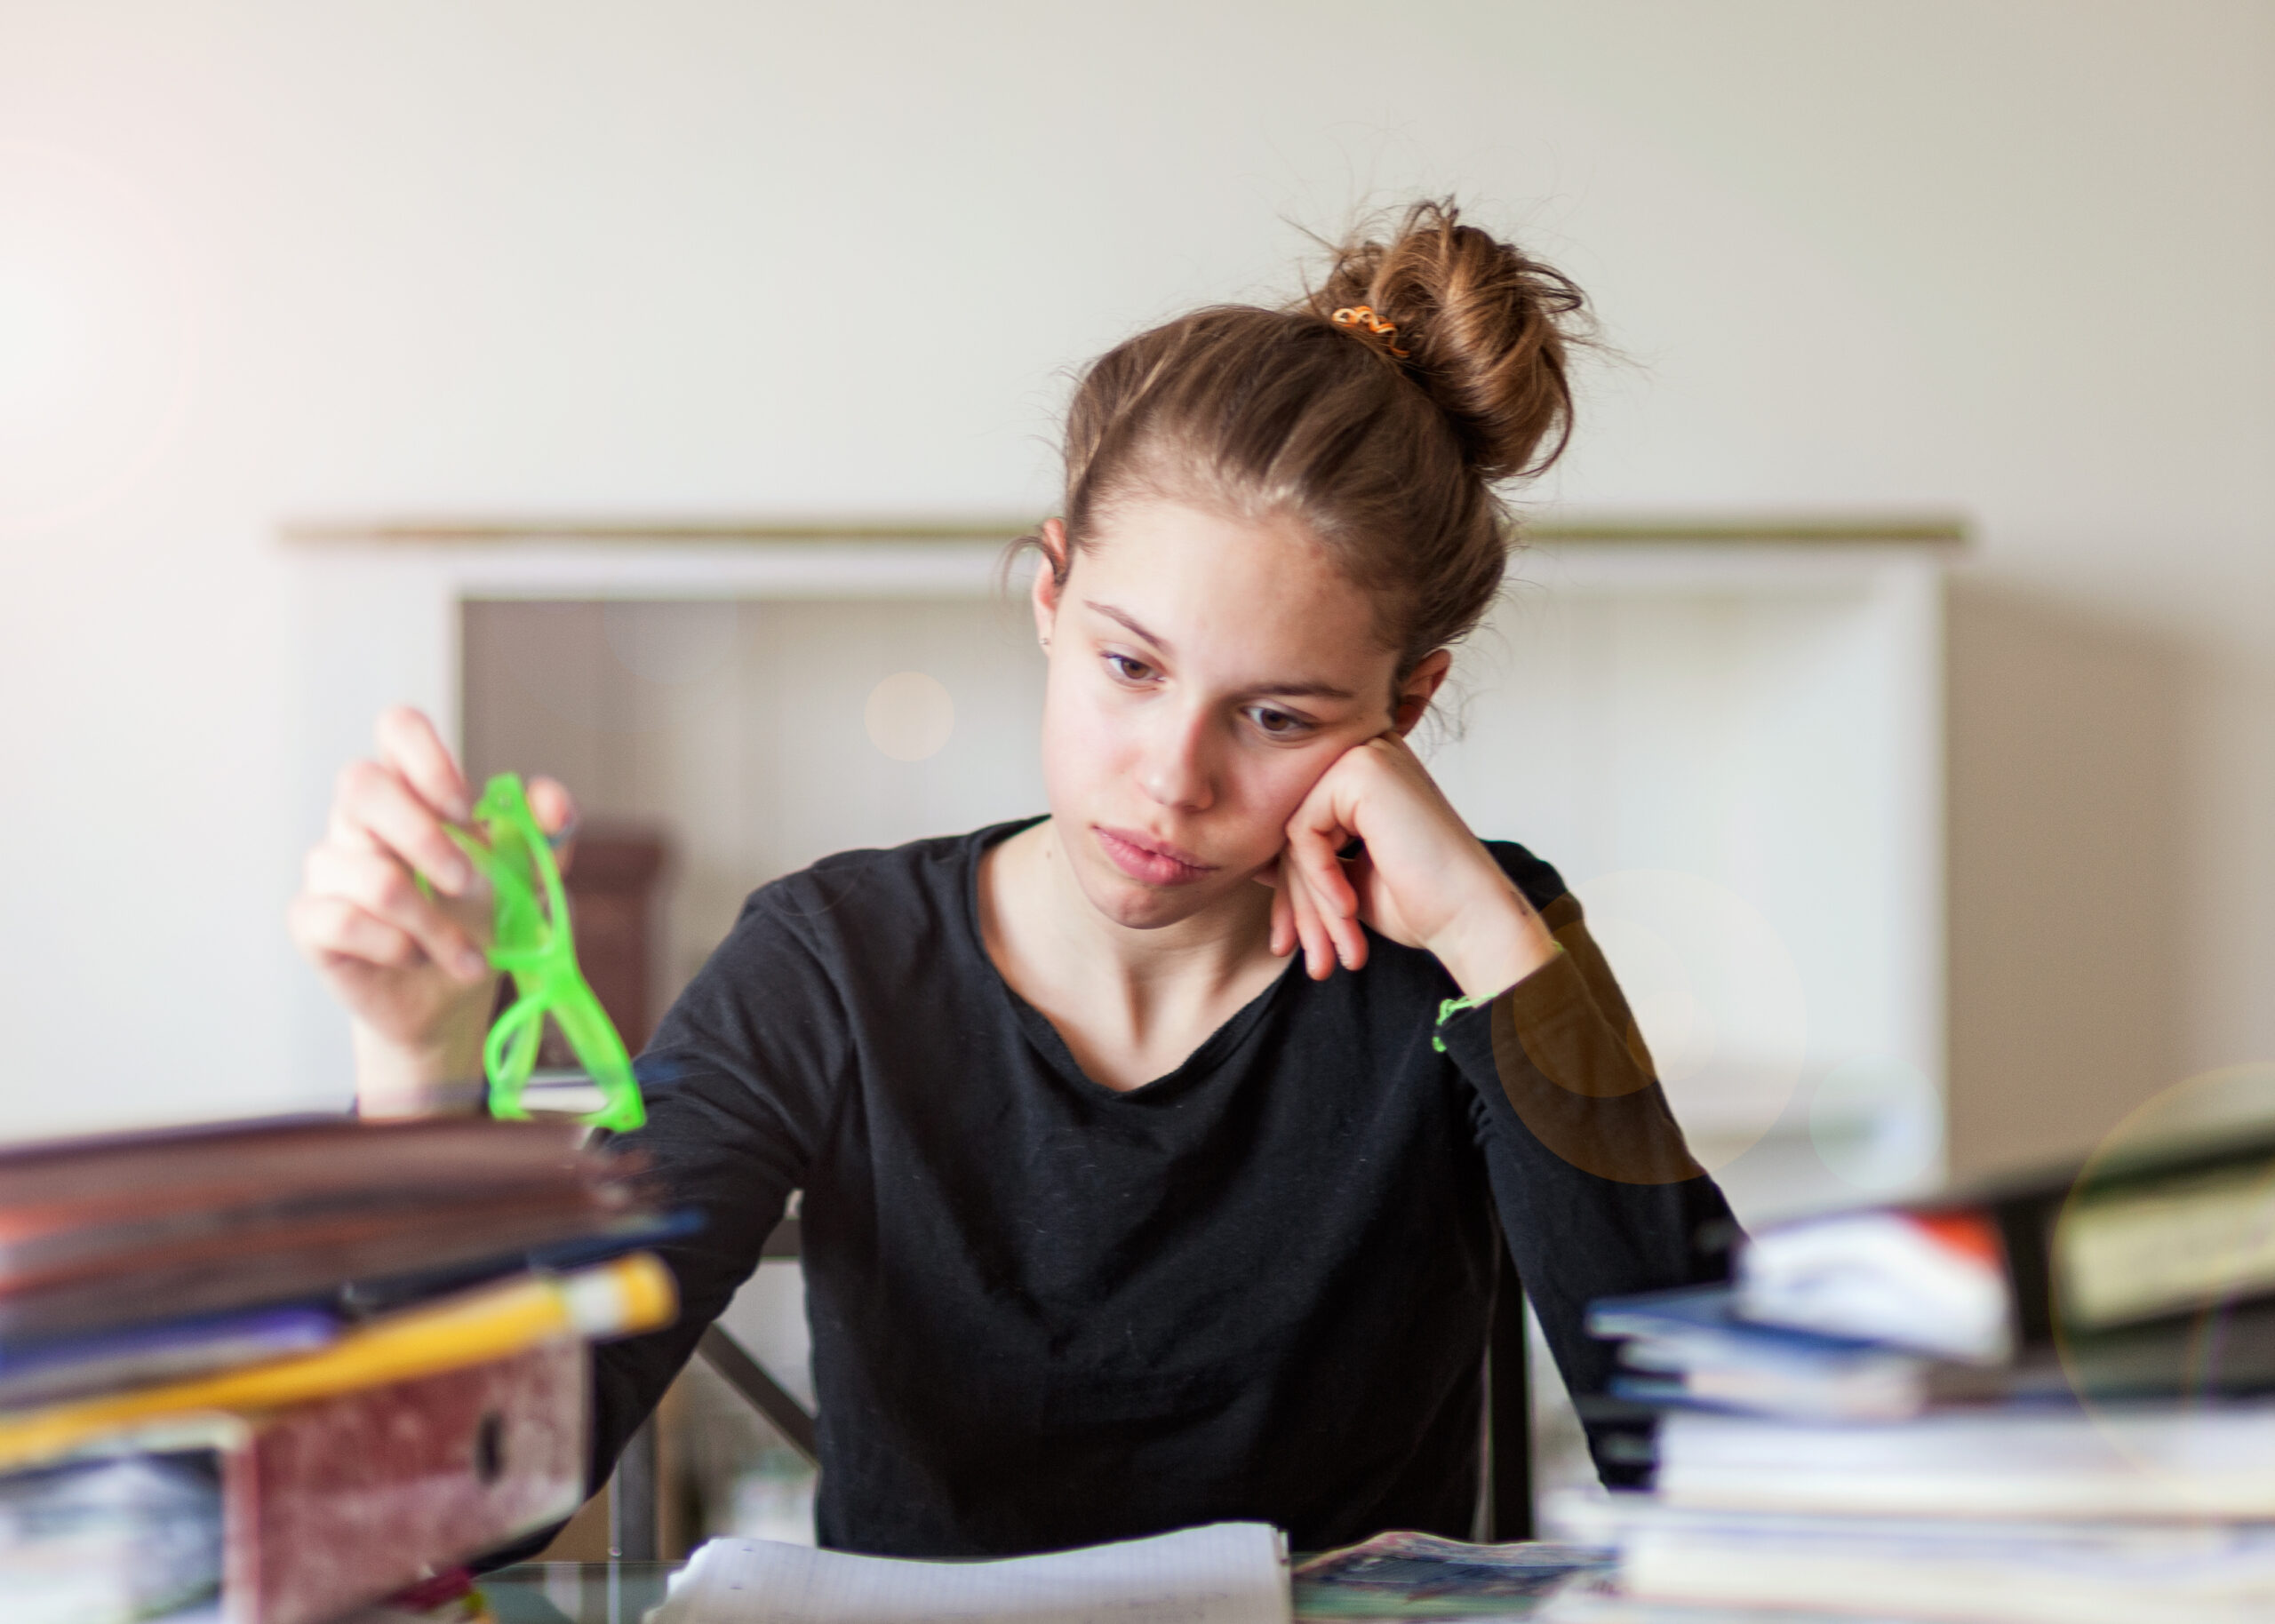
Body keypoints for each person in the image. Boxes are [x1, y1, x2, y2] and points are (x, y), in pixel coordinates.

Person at [289, 200, 1734, 1558]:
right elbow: (454, 1511)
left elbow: (1725, 1469)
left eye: (1279, 716)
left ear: (1401, 714)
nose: (1174, 778)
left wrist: (1492, 929)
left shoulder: (1474, 950)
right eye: (1129, 664)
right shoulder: (831, 964)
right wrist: (417, 1071)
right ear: (1049, 598)